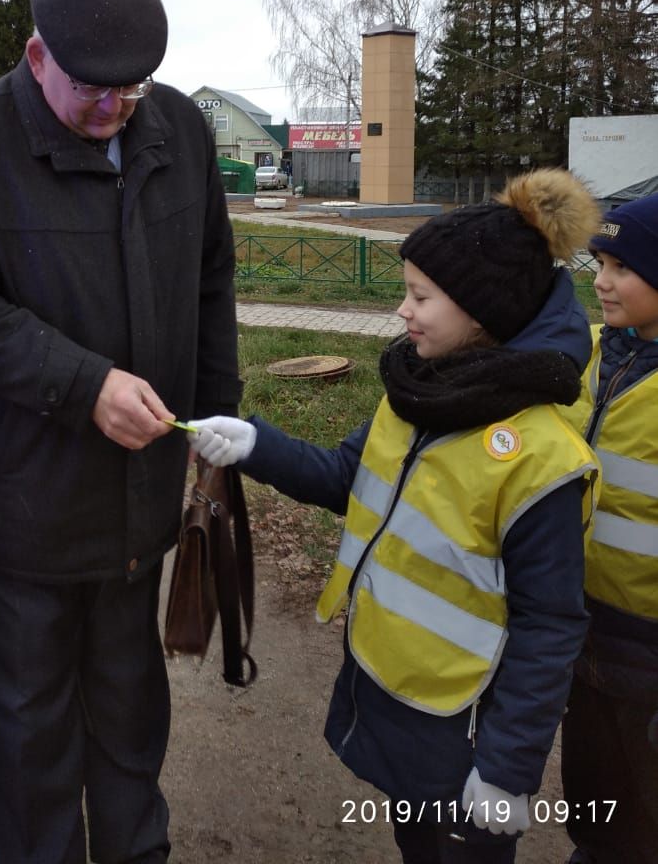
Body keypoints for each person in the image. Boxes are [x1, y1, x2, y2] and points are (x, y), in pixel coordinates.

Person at [0, 0, 241, 864]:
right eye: (95, 91)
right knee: (28, 727)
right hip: (20, 504)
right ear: (35, 54)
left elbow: (210, 275)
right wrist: (85, 385)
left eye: (132, 91)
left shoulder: (177, 130)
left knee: (130, 707)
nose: (114, 110)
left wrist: (216, 420)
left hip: (138, 495)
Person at [188, 168, 602, 864]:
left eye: (419, 297)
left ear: (481, 313)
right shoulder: (420, 392)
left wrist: (506, 770)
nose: (401, 313)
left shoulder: (539, 458)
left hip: (464, 718)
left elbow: (549, 624)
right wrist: (255, 445)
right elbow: (348, 479)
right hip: (395, 691)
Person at [560, 193, 658, 864]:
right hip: (578, 633)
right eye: (598, 261)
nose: (600, 281)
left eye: (622, 266)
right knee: (595, 809)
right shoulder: (586, 353)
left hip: (649, 655)